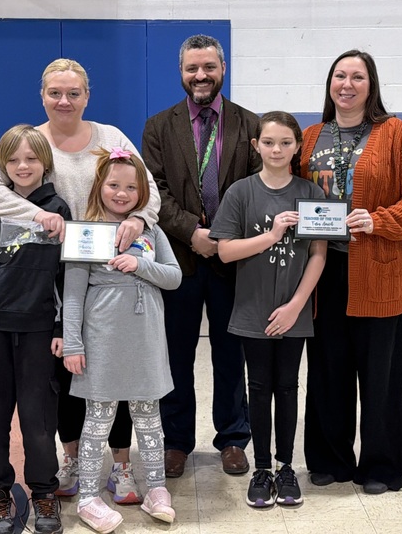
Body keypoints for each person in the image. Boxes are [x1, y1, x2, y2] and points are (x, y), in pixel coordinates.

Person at [0, 59, 162, 503]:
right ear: (42, 96)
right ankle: (72, 459)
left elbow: (147, 190)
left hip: (110, 275)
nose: (64, 101)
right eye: (55, 93)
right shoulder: (31, 143)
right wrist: (37, 214)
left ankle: (121, 466)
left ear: (87, 96)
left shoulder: (111, 137)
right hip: (56, 278)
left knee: (113, 371)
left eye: (73, 93)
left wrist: (135, 217)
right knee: (69, 374)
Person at [297, 50, 402, 494]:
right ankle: (330, 458)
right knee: (327, 371)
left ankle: (382, 465)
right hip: (322, 271)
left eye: (358, 77)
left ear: (371, 85)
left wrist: (380, 220)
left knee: (381, 375)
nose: (347, 84)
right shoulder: (311, 136)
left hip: (378, 269)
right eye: (340, 75)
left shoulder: (395, 134)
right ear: (330, 83)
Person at [141, 34, 260, 478]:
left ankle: (232, 438)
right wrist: (193, 233)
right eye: (192, 68)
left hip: (233, 262)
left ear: (223, 69)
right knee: (176, 354)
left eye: (208, 67)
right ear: (181, 72)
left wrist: (222, 238)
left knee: (231, 354)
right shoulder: (158, 126)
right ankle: (176, 441)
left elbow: (256, 188)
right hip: (179, 260)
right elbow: (155, 191)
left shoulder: (251, 125)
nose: (201, 76)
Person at [61, 148, 181, 533]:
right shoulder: (86, 233)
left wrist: (141, 264)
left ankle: (157, 489)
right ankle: (89, 498)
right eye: (114, 185)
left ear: (143, 192)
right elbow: (74, 294)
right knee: (98, 420)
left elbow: (174, 276)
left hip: (145, 341)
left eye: (131, 187)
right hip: (103, 342)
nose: (122, 193)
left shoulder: (152, 232)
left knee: (149, 418)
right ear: (100, 187)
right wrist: (74, 344)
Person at [210, 111, 327, 508]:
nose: (277, 150)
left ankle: (285, 467)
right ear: (256, 145)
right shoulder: (240, 193)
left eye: (286, 143)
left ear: (297, 148)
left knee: (288, 387)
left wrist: (297, 305)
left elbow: (318, 255)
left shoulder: (311, 194)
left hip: (294, 313)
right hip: (252, 311)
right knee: (258, 389)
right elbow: (225, 251)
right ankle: (261, 469)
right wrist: (272, 234)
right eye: (269, 142)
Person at [0, 124, 67, 534]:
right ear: (3, 165)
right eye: (14, 159)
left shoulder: (59, 210)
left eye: (31, 158)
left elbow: (65, 276)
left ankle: (43, 491)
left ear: (45, 162)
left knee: (39, 420)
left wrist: (62, 326)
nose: (23, 166)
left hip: (40, 329)